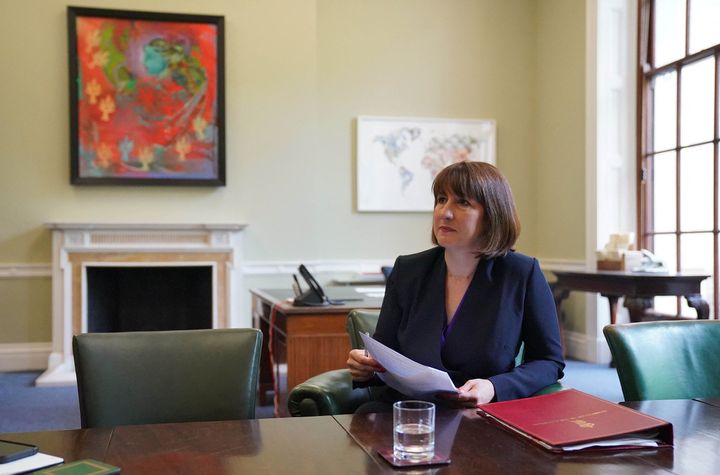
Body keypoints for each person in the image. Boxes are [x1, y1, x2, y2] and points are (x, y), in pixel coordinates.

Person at [346, 161, 564, 409]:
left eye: (462, 203)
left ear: (492, 214)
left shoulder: (521, 273)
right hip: (407, 411)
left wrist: (495, 386)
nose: (444, 212)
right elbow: (384, 356)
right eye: (441, 199)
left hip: (481, 415)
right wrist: (366, 367)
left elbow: (549, 361)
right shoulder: (408, 270)